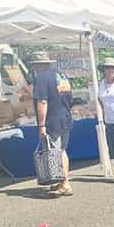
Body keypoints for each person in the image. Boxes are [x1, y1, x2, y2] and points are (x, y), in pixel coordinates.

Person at [32, 51, 74, 197]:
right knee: (62, 150)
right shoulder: (61, 75)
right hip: (66, 118)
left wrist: (41, 125)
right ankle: (61, 181)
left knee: (56, 152)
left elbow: (42, 102)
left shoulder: (41, 78)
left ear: (38, 65)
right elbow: (70, 98)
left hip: (53, 120)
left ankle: (65, 184)